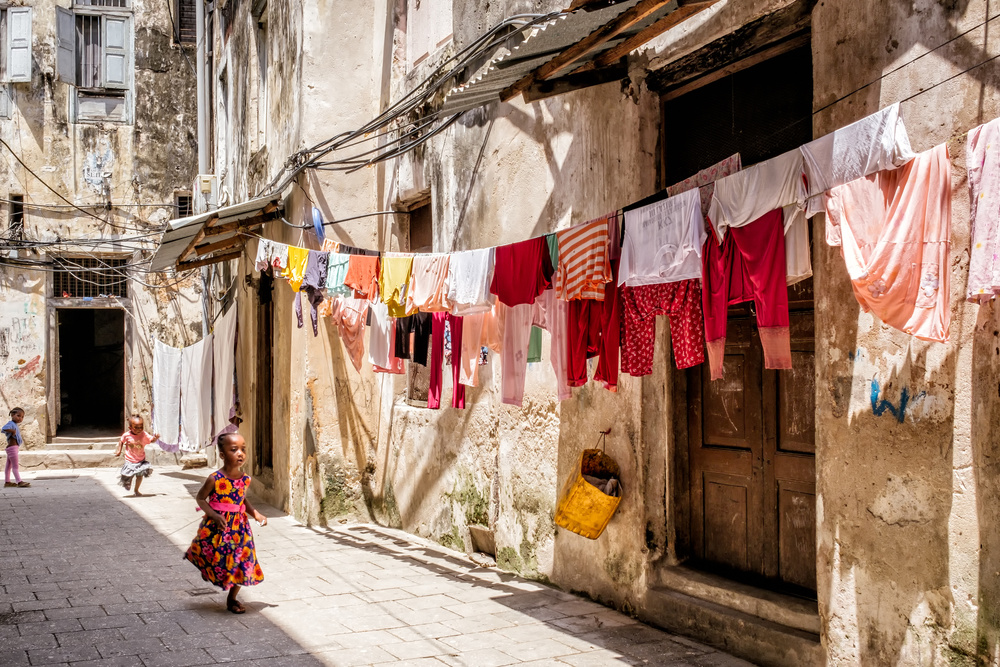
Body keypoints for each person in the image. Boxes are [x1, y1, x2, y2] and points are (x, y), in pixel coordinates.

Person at [184, 433, 266, 614]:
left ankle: (232, 598)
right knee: (217, 559)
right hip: (218, 528)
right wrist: (213, 515)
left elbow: (242, 500)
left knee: (242, 562)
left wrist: (256, 514)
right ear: (222, 455)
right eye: (234, 449)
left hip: (240, 530)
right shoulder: (215, 478)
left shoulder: (245, 479)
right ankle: (209, 570)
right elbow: (200, 498)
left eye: (243, 449)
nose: (240, 453)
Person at [115, 415, 158, 496]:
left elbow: (151, 439)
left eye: (141, 427)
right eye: (136, 427)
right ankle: (127, 481)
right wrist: (119, 451)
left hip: (140, 460)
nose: (139, 429)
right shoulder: (126, 435)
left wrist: (155, 438)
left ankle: (136, 490)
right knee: (128, 475)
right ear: (130, 427)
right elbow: (121, 441)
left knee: (139, 476)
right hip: (129, 460)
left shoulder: (143, 434)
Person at [2, 408, 29, 488]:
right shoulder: (11, 423)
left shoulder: (14, 425)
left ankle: (7, 482)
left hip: (13, 448)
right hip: (12, 448)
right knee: (15, 466)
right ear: (12, 415)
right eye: (18, 416)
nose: (20, 418)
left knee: (9, 465)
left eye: (22, 417)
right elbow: (3, 428)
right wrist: (13, 431)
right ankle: (19, 481)